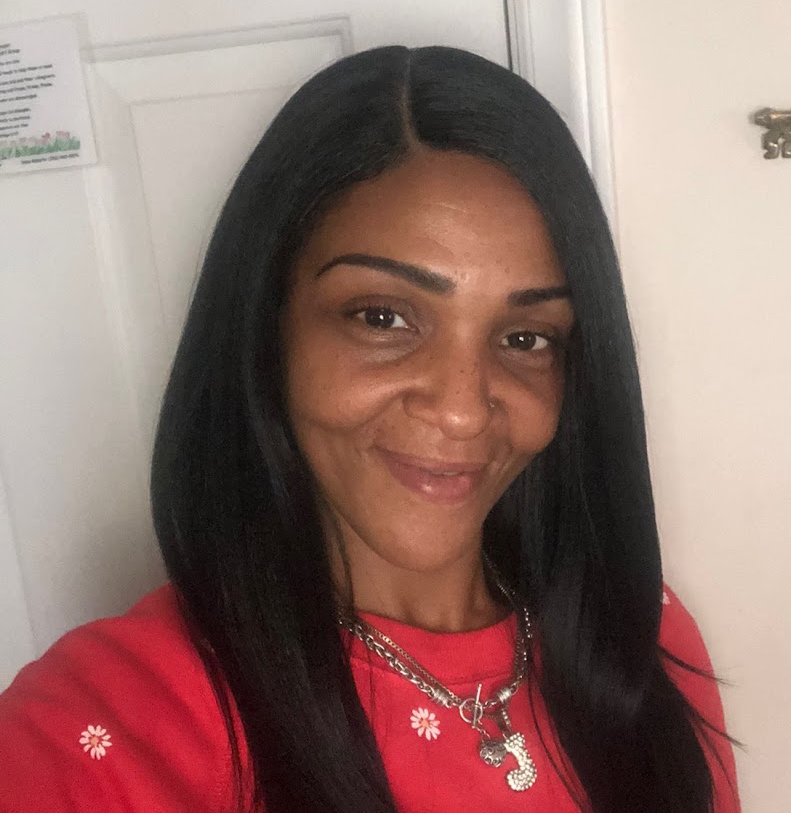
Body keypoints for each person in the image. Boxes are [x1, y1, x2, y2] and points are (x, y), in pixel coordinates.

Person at [0, 46, 740, 811]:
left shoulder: (636, 635)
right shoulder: (100, 730)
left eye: (526, 338)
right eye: (382, 317)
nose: (461, 408)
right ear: (267, 328)